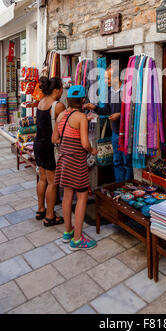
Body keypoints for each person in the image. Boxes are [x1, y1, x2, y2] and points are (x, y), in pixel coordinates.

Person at [52, 85, 97, 250]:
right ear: (83, 100)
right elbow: (85, 143)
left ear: (68, 99)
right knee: (82, 196)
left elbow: (54, 139)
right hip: (76, 161)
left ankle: (67, 232)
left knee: (67, 196)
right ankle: (77, 239)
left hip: (63, 160)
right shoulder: (81, 117)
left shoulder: (61, 115)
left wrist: (67, 143)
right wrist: (93, 150)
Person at [84, 63, 133, 183]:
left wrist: (120, 115)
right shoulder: (110, 92)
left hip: (127, 133)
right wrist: (94, 107)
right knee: (117, 162)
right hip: (116, 132)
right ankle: (119, 188)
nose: (106, 81)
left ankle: (127, 187)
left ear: (116, 78)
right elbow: (105, 110)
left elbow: (134, 112)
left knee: (127, 162)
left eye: (108, 78)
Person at [34, 77, 66, 226]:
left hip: (38, 144)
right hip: (49, 146)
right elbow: (68, 122)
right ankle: (50, 216)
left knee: (43, 178)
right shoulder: (58, 105)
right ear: (56, 90)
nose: (62, 92)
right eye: (61, 89)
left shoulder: (41, 102)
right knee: (52, 182)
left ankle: (41, 209)